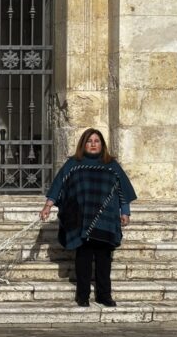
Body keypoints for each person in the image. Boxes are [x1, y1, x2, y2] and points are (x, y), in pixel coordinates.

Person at [39, 128, 137, 307]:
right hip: (81, 219)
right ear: (83, 144)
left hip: (106, 219)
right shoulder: (73, 163)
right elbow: (59, 184)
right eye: (89, 141)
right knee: (83, 257)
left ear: (102, 144)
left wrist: (125, 211)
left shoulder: (112, 165)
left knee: (103, 259)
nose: (93, 144)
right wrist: (48, 206)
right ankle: (82, 295)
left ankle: (104, 295)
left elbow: (122, 189)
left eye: (97, 141)